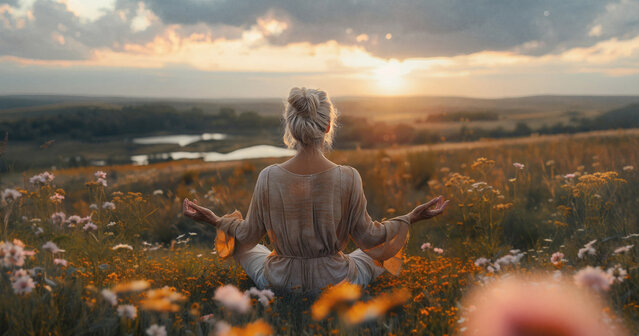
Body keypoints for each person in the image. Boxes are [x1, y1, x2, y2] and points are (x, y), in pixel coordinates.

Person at [183, 87, 449, 293]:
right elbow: (369, 239)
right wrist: (411, 217)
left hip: (280, 281)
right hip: (336, 282)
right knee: (365, 257)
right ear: (328, 127)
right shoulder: (349, 177)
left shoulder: (268, 177)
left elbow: (248, 236)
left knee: (249, 251)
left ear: (291, 128)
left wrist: (214, 220)